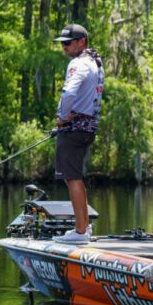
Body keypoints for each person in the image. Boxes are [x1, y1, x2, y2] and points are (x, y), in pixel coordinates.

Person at [52, 24, 105, 243]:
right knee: (74, 177)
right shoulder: (94, 62)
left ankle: (81, 231)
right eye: (62, 43)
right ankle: (83, 227)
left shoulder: (79, 63)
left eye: (67, 43)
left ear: (81, 42)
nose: (64, 47)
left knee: (71, 177)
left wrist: (62, 116)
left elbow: (69, 91)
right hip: (88, 127)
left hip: (74, 129)